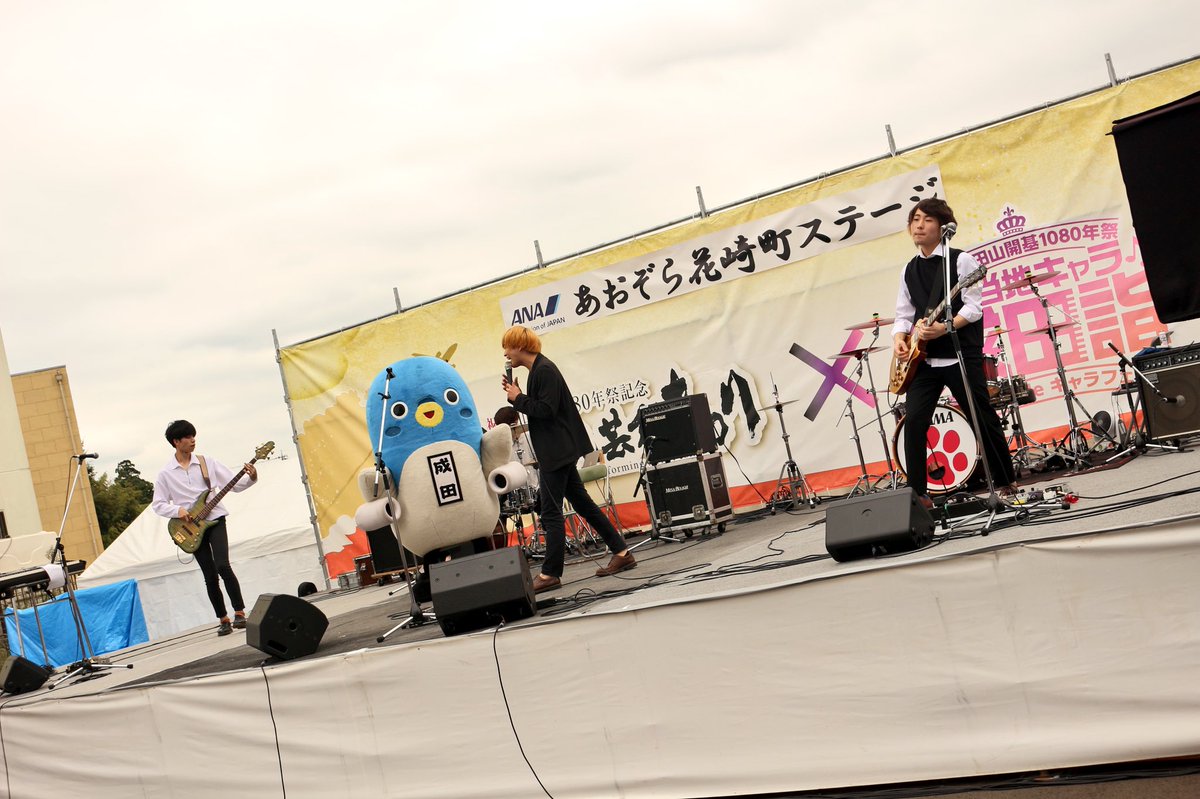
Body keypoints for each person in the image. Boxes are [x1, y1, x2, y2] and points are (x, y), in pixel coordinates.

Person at [891, 199, 1016, 507]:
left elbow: (974, 308)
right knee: (914, 422)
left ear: (942, 226)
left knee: (981, 416)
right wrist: (899, 338)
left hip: (960, 354)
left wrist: (945, 328)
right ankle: (919, 496)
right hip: (923, 360)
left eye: (927, 220)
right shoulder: (909, 269)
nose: (919, 225)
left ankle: (1006, 482)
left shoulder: (962, 261)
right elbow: (904, 314)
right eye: (915, 219)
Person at [501, 326, 635, 593]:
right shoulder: (538, 371)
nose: (505, 354)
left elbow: (546, 411)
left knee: (550, 512)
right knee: (583, 504)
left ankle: (550, 573)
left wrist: (519, 398)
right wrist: (519, 397)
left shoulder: (544, 371)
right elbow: (541, 408)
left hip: (557, 451)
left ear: (520, 346)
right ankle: (621, 552)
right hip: (558, 449)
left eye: (507, 347)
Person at [151, 419, 257, 635]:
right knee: (209, 574)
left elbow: (235, 485)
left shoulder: (207, 462)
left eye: (193, 436)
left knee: (223, 565)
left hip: (215, 518)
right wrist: (178, 511)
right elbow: (158, 504)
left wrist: (252, 477)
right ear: (176, 441)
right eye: (188, 437)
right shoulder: (166, 473)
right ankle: (223, 619)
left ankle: (239, 612)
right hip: (190, 528)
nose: (193, 440)